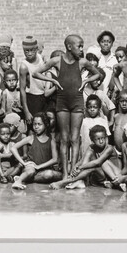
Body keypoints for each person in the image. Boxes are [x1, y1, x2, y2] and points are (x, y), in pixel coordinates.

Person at [31, 34, 102, 176]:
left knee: (75, 138)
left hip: (77, 102)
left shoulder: (82, 62)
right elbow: (36, 73)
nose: (82, 49)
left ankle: (72, 173)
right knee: (64, 139)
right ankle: (64, 173)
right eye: (79, 46)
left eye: (82, 46)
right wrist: (55, 82)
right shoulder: (57, 61)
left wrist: (86, 81)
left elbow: (97, 74)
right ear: (69, 47)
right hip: (62, 102)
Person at [50, 125, 122, 190]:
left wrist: (81, 168)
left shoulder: (109, 148)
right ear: (92, 140)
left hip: (115, 175)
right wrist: (76, 168)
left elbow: (98, 162)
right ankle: (80, 180)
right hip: (103, 175)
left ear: (106, 137)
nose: (101, 141)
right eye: (98, 139)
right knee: (89, 154)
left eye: (103, 138)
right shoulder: (92, 147)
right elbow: (82, 160)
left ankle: (64, 182)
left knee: (93, 167)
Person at [10, 113, 64, 189]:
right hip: (31, 167)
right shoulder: (31, 138)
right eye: (34, 124)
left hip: (43, 169)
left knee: (50, 174)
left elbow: (55, 159)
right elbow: (13, 148)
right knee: (31, 170)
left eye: (39, 124)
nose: (36, 127)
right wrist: (23, 163)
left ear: (46, 125)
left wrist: (39, 167)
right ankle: (19, 181)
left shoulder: (51, 140)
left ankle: (24, 178)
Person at [77, 95, 111, 178]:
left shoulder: (103, 121)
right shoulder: (83, 121)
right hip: (86, 151)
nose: (92, 109)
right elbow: (80, 139)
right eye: (90, 107)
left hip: (99, 154)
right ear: (86, 108)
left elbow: (106, 139)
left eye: (95, 107)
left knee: (96, 167)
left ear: (99, 108)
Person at [19, 36, 50, 119]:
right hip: (32, 98)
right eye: (26, 51)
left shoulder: (41, 58)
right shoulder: (24, 66)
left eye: (32, 50)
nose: (29, 53)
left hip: (44, 96)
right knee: (33, 125)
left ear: (36, 49)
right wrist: (26, 111)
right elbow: (22, 89)